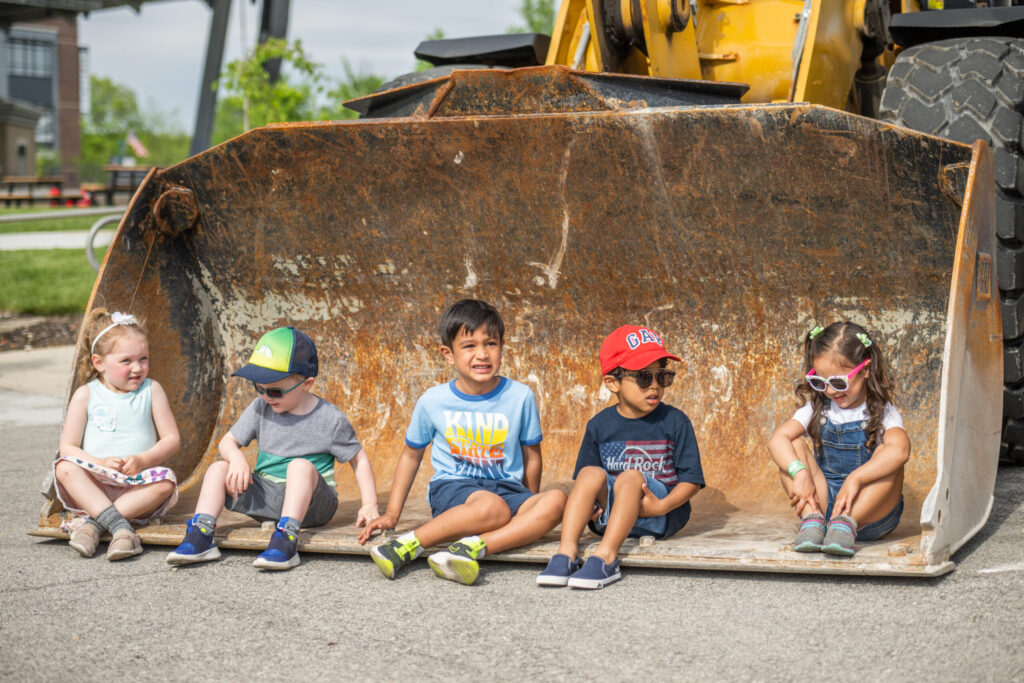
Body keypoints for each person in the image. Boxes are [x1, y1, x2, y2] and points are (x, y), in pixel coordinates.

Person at [358, 299, 566, 585]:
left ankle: (469, 549)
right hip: (455, 490)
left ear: (502, 346)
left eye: (490, 343)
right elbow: (410, 456)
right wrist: (393, 513)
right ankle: (404, 545)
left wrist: (529, 501)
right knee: (492, 508)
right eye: (469, 346)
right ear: (448, 354)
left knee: (557, 501)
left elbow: (532, 456)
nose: (482, 354)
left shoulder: (521, 397)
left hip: (507, 491)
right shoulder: (433, 400)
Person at [166, 326, 379, 570]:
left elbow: (358, 460)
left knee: (299, 466)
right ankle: (201, 535)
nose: (266, 396)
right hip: (270, 499)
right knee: (217, 469)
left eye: (275, 390)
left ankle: (286, 539)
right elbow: (227, 442)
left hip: (315, 505)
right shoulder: (261, 408)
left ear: (306, 383)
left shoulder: (330, 419)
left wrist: (370, 504)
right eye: (259, 387)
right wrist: (236, 458)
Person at [537, 325, 704, 589]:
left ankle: (606, 557)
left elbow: (691, 480)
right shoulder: (599, 425)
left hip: (659, 514)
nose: (654, 386)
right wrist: (592, 508)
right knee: (590, 472)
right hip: (610, 517)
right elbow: (587, 483)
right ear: (612, 382)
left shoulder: (675, 421)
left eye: (662, 377)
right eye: (643, 377)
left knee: (629, 477)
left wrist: (662, 506)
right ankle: (566, 553)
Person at [767, 322, 910, 556]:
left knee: (889, 453)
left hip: (867, 513)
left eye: (838, 382)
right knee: (791, 445)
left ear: (865, 369)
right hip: (825, 507)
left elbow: (901, 451)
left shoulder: (881, 411)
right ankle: (812, 520)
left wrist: (856, 478)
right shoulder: (816, 406)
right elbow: (777, 440)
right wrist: (799, 472)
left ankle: (846, 523)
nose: (830, 391)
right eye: (820, 382)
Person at [55, 309, 180, 561]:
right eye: (126, 361)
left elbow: (171, 439)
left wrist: (144, 460)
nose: (137, 368)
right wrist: (99, 463)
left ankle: (94, 525)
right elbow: (68, 446)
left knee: (166, 482)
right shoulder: (86, 395)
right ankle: (122, 529)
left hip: (135, 486)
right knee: (64, 468)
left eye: (143, 359)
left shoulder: (151, 390)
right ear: (99, 363)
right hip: (95, 482)